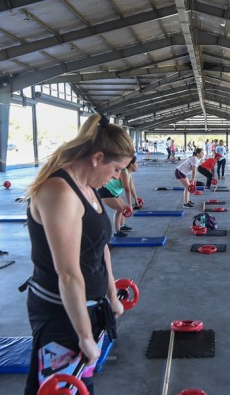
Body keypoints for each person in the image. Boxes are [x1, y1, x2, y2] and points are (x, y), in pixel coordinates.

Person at [22, 114, 133, 395]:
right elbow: (68, 272)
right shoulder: (59, 192)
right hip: (62, 315)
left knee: (83, 386)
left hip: (89, 308)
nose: (117, 177)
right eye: (117, 169)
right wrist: (84, 335)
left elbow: (101, 248)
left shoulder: (89, 189)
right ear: (97, 158)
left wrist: (110, 295)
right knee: (59, 390)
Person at [99, 156, 138, 237]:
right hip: (106, 191)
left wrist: (136, 200)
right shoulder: (124, 172)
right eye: (136, 163)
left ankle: (122, 226)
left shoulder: (129, 173)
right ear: (131, 164)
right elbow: (127, 189)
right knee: (119, 209)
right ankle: (117, 232)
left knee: (124, 207)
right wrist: (130, 205)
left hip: (113, 192)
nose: (137, 165)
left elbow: (132, 187)